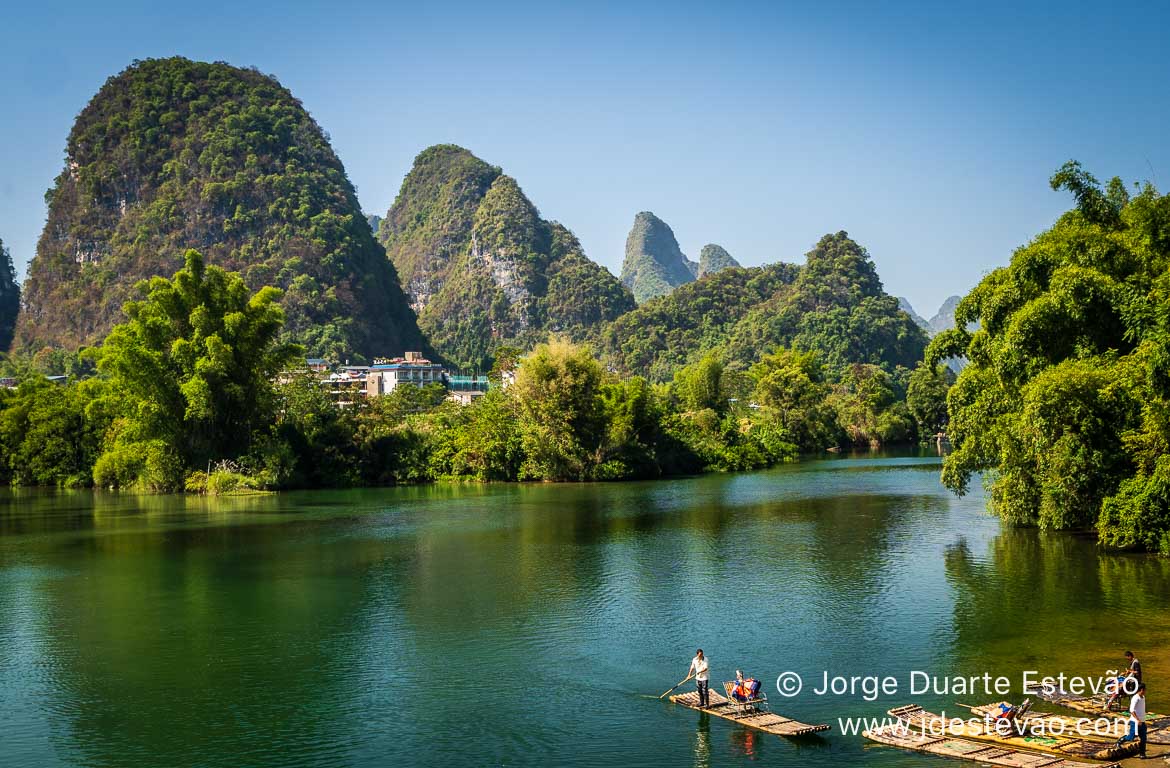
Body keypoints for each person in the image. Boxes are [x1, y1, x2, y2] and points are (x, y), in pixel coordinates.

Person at [1130, 683, 1148, 759]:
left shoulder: (1143, 697)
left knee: (1143, 738)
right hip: (1135, 721)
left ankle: (1142, 754)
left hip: (1142, 721)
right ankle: (1119, 742)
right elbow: (1131, 710)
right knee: (1131, 737)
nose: (1145, 691)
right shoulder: (1135, 698)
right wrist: (1138, 720)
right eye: (1145, 689)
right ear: (1141, 690)